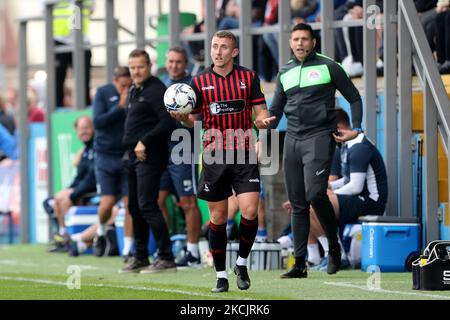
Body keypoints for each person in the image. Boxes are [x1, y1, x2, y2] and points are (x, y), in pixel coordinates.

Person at [170, 30, 275, 293]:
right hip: (214, 156)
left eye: (224, 47)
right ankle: (220, 275)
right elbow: (193, 119)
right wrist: (181, 118)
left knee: (250, 210)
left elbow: (260, 110)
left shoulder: (248, 77)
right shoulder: (199, 81)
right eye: (215, 46)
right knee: (218, 217)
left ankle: (241, 263)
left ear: (234, 51)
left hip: (244, 153)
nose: (218, 51)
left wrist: (261, 122)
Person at [268, 23, 363, 278]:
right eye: (295, 39)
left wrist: (357, 128)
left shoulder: (329, 66)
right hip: (292, 140)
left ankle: (334, 248)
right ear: (290, 43)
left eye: (304, 39)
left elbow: (354, 97)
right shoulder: (285, 72)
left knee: (315, 194)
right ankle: (300, 264)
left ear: (313, 42)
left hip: (320, 137)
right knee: (298, 203)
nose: (300, 43)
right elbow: (275, 112)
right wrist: (262, 132)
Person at [307, 108, 388, 270]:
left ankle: (339, 256)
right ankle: (317, 258)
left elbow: (356, 187)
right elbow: (347, 180)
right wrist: (328, 187)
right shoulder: (346, 144)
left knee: (316, 203)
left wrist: (326, 193)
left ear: (337, 126)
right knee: (304, 204)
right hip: (357, 198)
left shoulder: (359, 146)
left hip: (371, 202)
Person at [120, 49, 177, 274]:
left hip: (150, 155)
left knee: (147, 205)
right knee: (134, 207)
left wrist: (145, 141)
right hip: (133, 156)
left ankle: (166, 257)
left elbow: (167, 123)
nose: (136, 71)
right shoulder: (134, 89)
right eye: (132, 67)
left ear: (149, 66)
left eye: (140, 67)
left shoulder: (156, 90)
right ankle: (140, 256)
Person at [158, 46, 203, 268]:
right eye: (171, 61)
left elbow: (197, 122)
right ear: (166, 62)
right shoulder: (162, 84)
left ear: (185, 63)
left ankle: (193, 252)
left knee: (188, 202)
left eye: (178, 62)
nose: (174, 65)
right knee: (157, 201)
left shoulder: (194, 85)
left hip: (184, 148)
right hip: (162, 150)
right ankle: (165, 251)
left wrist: (184, 119)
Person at [91, 66, 133, 258]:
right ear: (116, 81)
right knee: (107, 203)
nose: (126, 88)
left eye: (129, 85)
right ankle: (100, 231)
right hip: (105, 155)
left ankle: (127, 249)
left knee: (129, 203)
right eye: (123, 85)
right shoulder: (103, 93)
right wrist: (119, 108)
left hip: (126, 154)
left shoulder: (134, 93)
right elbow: (98, 122)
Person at [47, 116, 97, 252]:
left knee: (63, 200)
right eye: (81, 129)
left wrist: (73, 193)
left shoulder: (96, 147)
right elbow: (80, 177)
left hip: (94, 190)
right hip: (84, 188)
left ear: (93, 128)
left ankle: (67, 238)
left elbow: (92, 178)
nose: (84, 132)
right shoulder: (86, 150)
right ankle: (63, 235)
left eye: (86, 128)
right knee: (54, 200)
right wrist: (70, 189)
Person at [43, 0, 95, 107]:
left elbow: (91, 9)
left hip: (82, 39)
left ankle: (84, 106)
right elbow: (44, 8)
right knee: (57, 79)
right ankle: (57, 107)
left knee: (84, 78)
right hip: (59, 39)